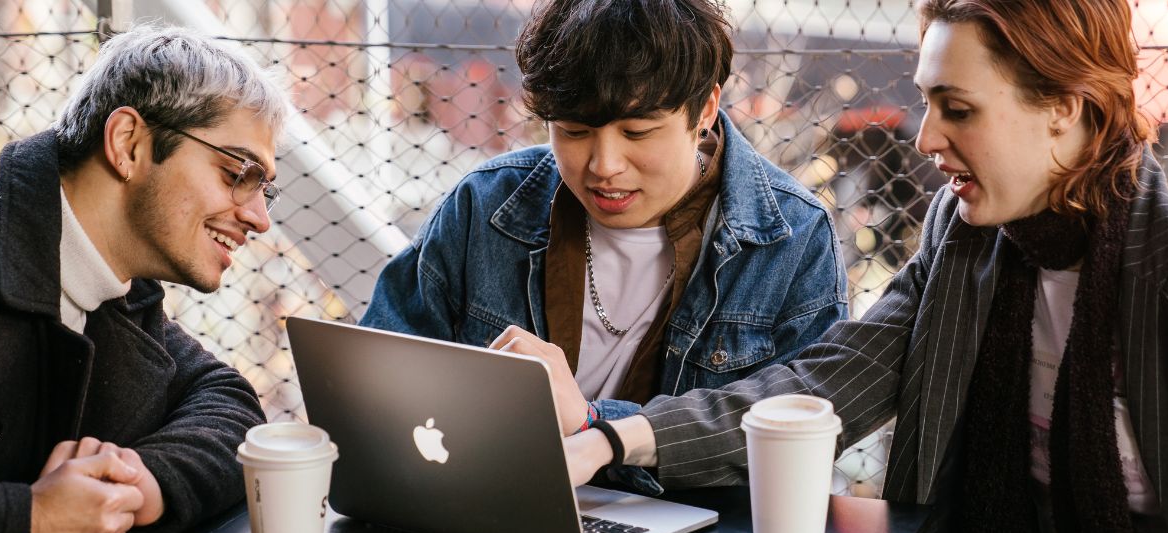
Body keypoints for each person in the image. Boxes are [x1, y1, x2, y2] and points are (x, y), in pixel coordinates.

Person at [545, 0, 1168, 533]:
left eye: (958, 108)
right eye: (927, 103)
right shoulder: (965, 235)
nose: (924, 139)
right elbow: (822, 387)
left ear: (1064, 105)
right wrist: (611, 439)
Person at [360, 0, 847, 494]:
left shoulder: (793, 237)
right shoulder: (484, 205)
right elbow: (377, 378)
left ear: (704, 110)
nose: (604, 165)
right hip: (494, 508)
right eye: (574, 131)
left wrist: (594, 423)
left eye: (637, 132)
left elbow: (801, 441)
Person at [0, 25, 293, 533]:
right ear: (128, 144)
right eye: (238, 173)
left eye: (265, 187)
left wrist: (138, 482)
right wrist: (24, 529)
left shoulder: (122, 294)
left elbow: (227, 402)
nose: (260, 218)